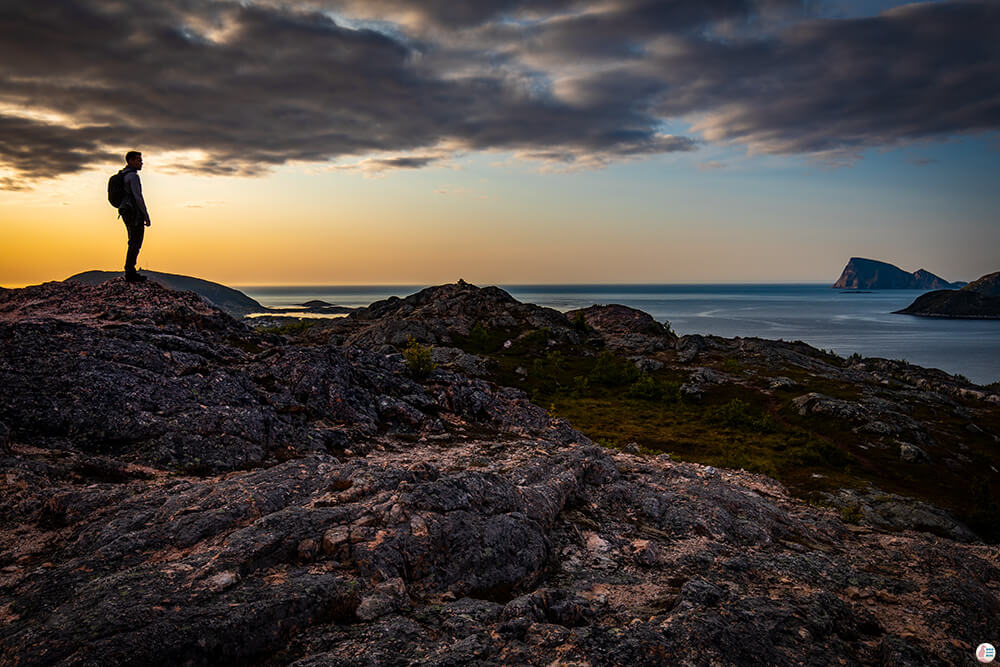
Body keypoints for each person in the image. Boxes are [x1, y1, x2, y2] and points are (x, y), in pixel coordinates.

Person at [120, 151, 151, 282]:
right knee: (136, 242)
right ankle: (130, 272)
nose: (141, 162)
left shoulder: (123, 175)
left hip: (125, 211)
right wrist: (146, 215)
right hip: (134, 213)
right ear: (131, 161)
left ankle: (130, 270)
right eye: (139, 160)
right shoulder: (133, 176)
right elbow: (138, 197)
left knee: (132, 241)